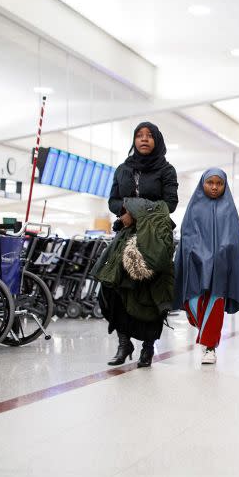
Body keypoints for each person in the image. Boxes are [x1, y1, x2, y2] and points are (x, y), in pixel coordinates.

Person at [103, 121, 178, 368]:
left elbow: (169, 204)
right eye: (139, 135)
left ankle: (148, 347)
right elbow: (113, 201)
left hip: (155, 237)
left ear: (157, 140)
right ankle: (124, 343)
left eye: (149, 136)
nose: (144, 139)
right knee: (112, 287)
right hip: (125, 234)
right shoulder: (123, 169)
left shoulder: (166, 170)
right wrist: (124, 211)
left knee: (152, 291)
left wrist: (134, 211)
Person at [173, 168, 239, 365]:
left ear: (224, 186)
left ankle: (209, 347)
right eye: (210, 183)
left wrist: (220, 255)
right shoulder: (194, 207)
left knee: (215, 303)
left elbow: (233, 239)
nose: (214, 187)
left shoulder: (229, 209)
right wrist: (197, 253)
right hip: (196, 263)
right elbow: (187, 235)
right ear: (202, 184)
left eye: (219, 183)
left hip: (221, 265)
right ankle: (206, 332)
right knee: (192, 301)